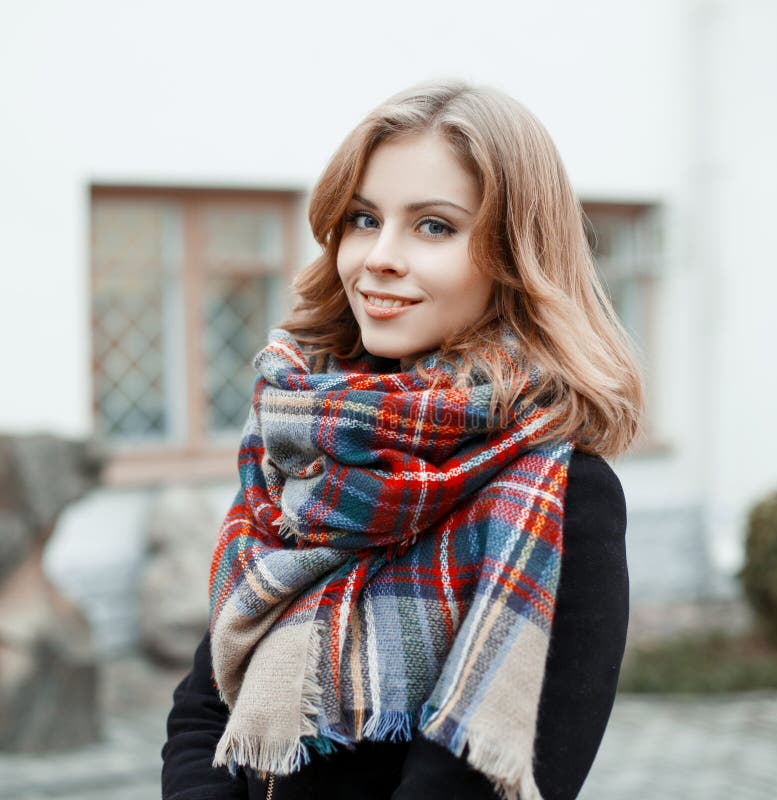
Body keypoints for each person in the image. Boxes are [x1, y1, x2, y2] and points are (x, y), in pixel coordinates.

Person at [162, 79, 643, 800]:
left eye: (434, 226)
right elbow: (208, 700)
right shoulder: (302, 446)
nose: (378, 257)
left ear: (515, 254)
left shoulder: (563, 491)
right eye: (363, 219)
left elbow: (477, 777)